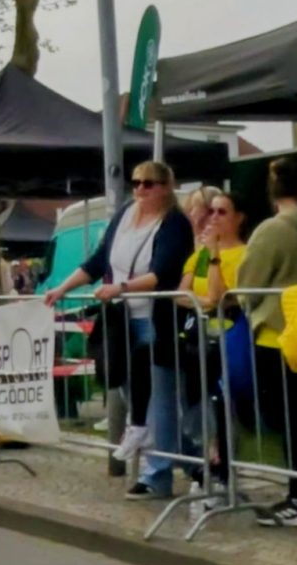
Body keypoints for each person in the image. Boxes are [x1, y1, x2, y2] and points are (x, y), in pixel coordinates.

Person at [47, 161, 194, 497]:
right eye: (136, 183)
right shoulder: (126, 214)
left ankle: (156, 474)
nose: (141, 190)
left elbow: (164, 272)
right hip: (121, 320)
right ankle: (193, 459)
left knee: (159, 399)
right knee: (133, 397)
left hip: (155, 320)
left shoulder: (174, 223)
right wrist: (61, 289)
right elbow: (98, 260)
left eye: (149, 184)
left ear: (166, 187)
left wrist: (122, 288)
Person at [222, 160, 297, 526]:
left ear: (272, 195)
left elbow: (247, 284)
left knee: (289, 417)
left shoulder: (270, 230)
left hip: (278, 334)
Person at [172, 188, 246, 490]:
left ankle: (224, 467)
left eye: (221, 212)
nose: (212, 218)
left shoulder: (242, 253)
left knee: (223, 403)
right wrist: (205, 300)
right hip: (197, 336)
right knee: (194, 402)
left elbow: (219, 296)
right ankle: (203, 461)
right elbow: (181, 294)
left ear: (238, 218)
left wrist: (215, 256)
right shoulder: (199, 254)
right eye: (211, 211)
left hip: (227, 336)